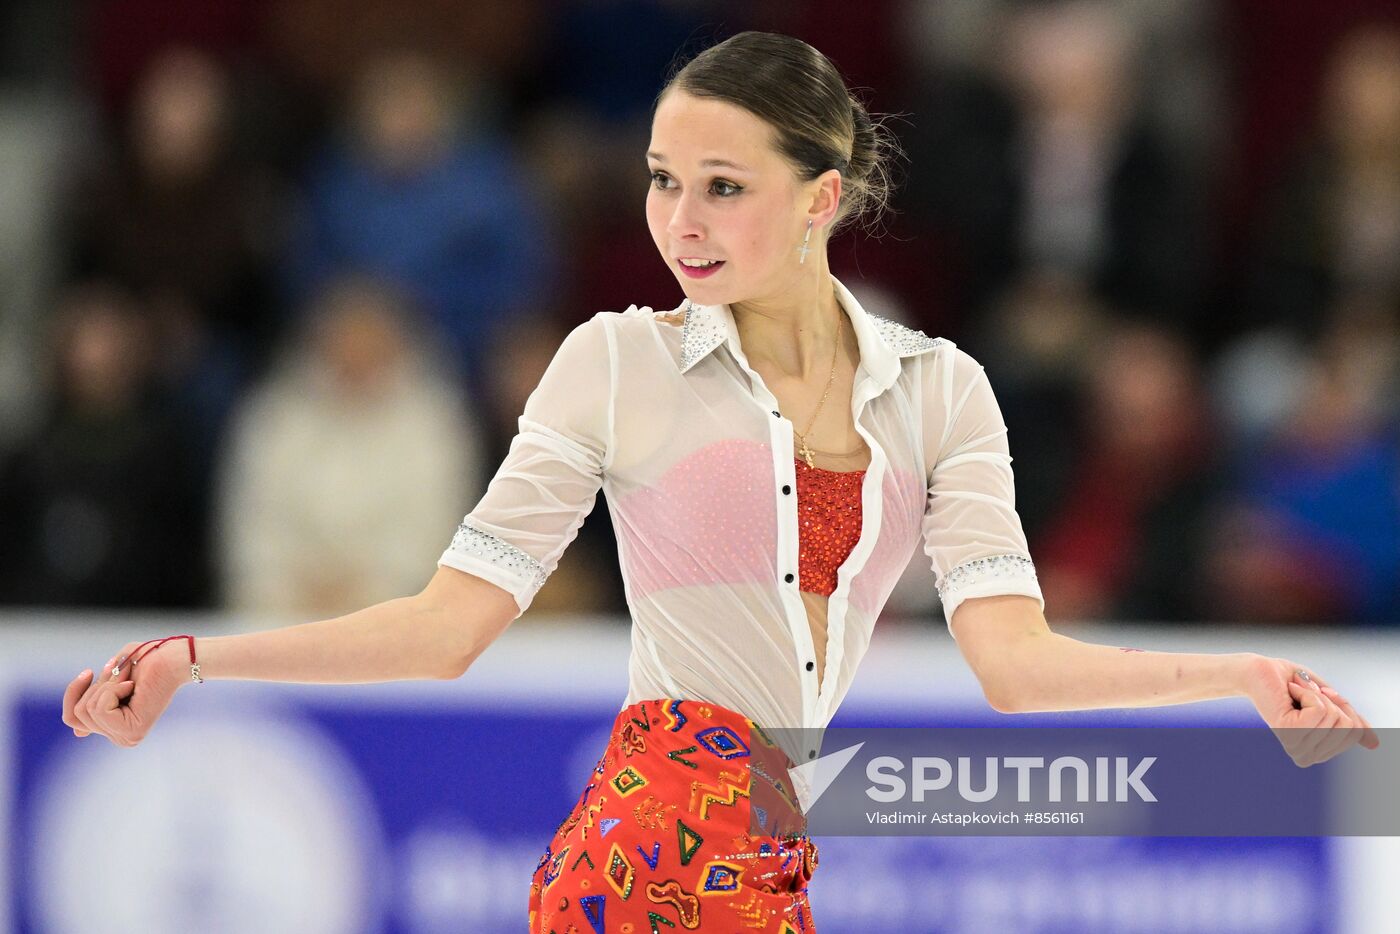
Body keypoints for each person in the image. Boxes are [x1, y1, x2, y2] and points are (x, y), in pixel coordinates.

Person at [61, 31, 1378, 933]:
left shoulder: (941, 393)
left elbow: (1018, 665)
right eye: (660, 182)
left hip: (773, 840)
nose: (678, 222)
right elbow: (447, 625)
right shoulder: (616, 363)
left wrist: (1238, 679)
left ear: (825, 195)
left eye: (723, 187)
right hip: (646, 843)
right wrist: (199, 659)